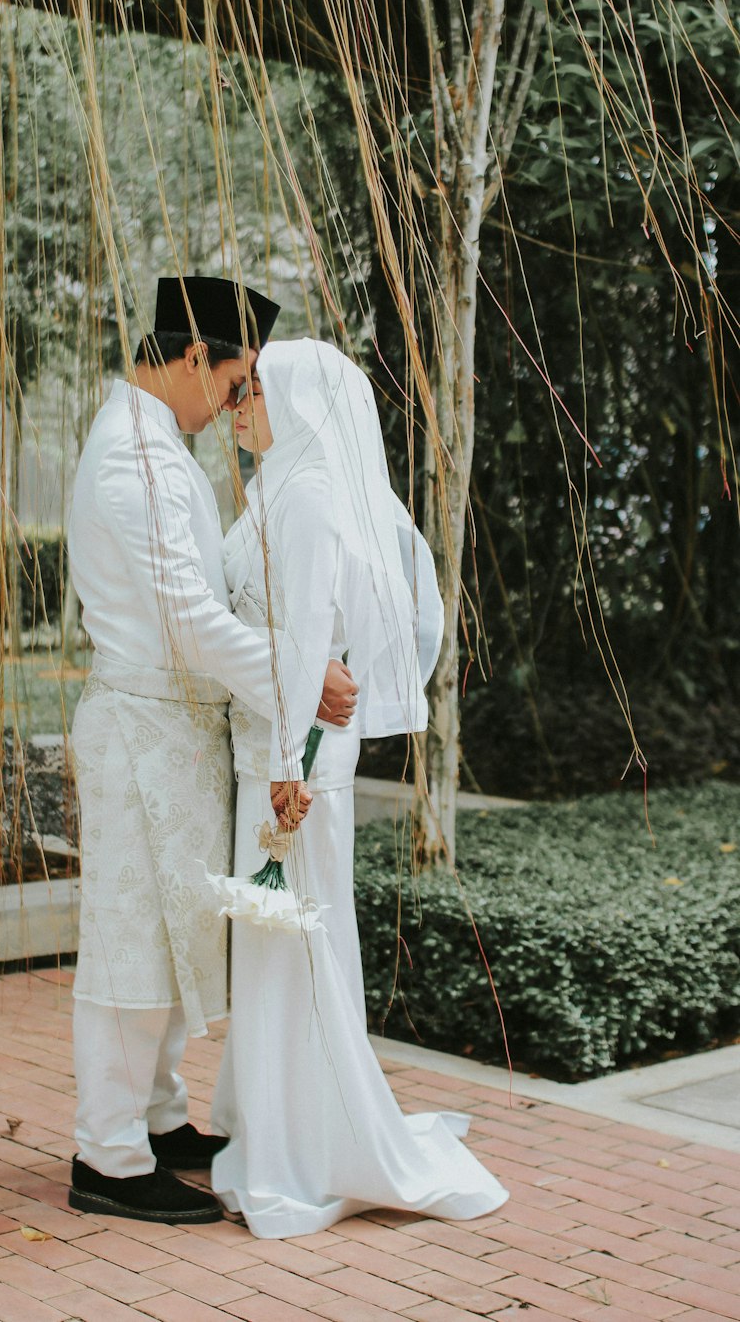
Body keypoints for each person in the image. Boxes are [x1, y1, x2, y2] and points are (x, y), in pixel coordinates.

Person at [66, 278, 359, 1225]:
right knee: (129, 941)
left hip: (174, 732)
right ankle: (105, 1156)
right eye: (235, 387)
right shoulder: (130, 460)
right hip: (142, 729)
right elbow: (191, 623)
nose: (235, 407)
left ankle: (154, 1117)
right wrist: (299, 671)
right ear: (198, 358)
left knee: (169, 935)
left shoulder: (155, 444)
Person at [210, 336, 508, 1237]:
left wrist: (283, 769)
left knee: (295, 944)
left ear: (300, 403)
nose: (238, 402)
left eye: (255, 389)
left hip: (290, 761)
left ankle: (310, 1146)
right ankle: (277, 1124)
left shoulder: (306, 497)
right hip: (274, 749)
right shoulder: (277, 487)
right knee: (281, 944)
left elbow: (306, 639)